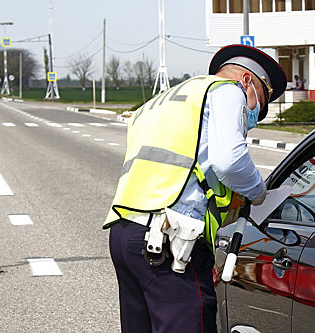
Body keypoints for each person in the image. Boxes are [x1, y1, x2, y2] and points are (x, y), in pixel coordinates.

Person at [103, 45, 287, 333]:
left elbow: (185, 166)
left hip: (126, 232)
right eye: (258, 107)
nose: (253, 117)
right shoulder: (227, 90)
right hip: (168, 241)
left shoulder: (162, 102)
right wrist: (258, 192)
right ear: (248, 83)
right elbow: (229, 160)